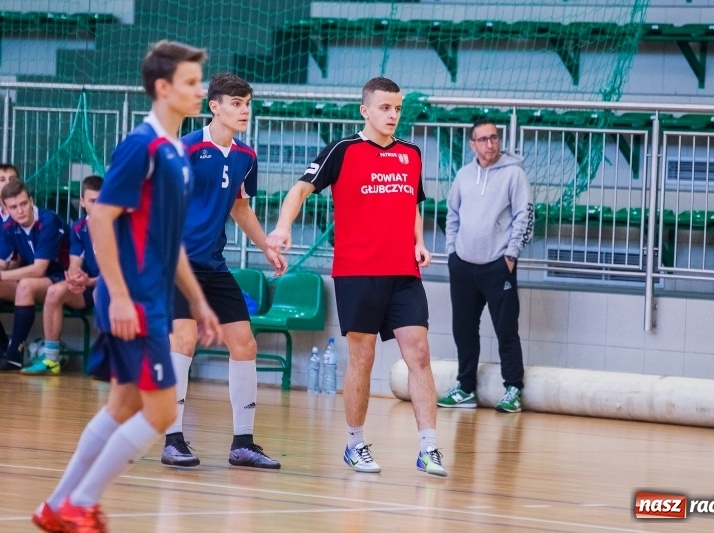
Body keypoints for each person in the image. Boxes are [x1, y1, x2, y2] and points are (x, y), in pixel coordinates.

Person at [31, 40, 221, 533]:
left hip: (153, 298)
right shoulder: (141, 146)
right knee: (159, 412)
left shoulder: (177, 151)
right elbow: (100, 221)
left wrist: (198, 301)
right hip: (133, 300)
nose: (200, 91)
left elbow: (170, 239)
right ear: (163, 88)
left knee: (123, 406)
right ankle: (82, 503)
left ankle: (55, 505)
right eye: (191, 83)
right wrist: (115, 294)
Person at [267, 77, 447, 477]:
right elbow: (299, 190)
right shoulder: (342, 150)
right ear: (365, 110)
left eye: (398, 108)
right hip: (357, 271)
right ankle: (354, 443)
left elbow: (414, 203)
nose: (393, 115)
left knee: (419, 353)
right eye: (385, 108)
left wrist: (419, 241)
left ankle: (429, 447)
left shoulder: (411, 154)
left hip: (403, 271)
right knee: (362, 359)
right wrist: (282, 227)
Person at [160, 73, 287, 470]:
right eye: (235, 103)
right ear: (214, 106)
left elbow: (240, 207)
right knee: (184, 340)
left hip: (213, 264)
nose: (244, 110)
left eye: (247, 103)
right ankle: (172, 439)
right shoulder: (186, 149)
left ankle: (243, 443)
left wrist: (266, 244)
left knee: (244, 343)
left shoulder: (246, 156)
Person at [436, 118, 530, 413]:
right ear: (472, 144)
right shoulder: (464, 175)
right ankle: (465, 388)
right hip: (463, 265)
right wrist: (452, 251)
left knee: (506, 329)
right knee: (463, 329)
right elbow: (451, 215)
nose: (490, 144)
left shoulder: (514, 174)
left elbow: (524, 215)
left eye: (494, 138)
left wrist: (511, 255)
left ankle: (513, 388)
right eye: (484, 139)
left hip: (497, 265)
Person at [21, 176, 103, 375]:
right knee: (54, 292)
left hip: (112, 285)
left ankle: (106, 360)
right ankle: (51, 359)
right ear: (82, 202)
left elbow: (119, 274)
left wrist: (89, 281)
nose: (99, 206)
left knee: (101, 293)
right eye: (93, 201)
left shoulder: (119, 227)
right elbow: (75, 264)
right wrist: (75, 279)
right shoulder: (78, 227)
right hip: (87, 284)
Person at [0, 180, 68, 371]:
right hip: (40, 280)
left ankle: (14, 355)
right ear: (6, 209)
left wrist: (3, 276)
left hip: (63, 277)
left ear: (31, 201)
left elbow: (39, 269)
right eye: (13, 207)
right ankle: (4, 347)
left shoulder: (48, 221)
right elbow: (2, 262)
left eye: (23, 204)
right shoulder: (8, 228)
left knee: (25, 285)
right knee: (23, 285)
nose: (20, 210)